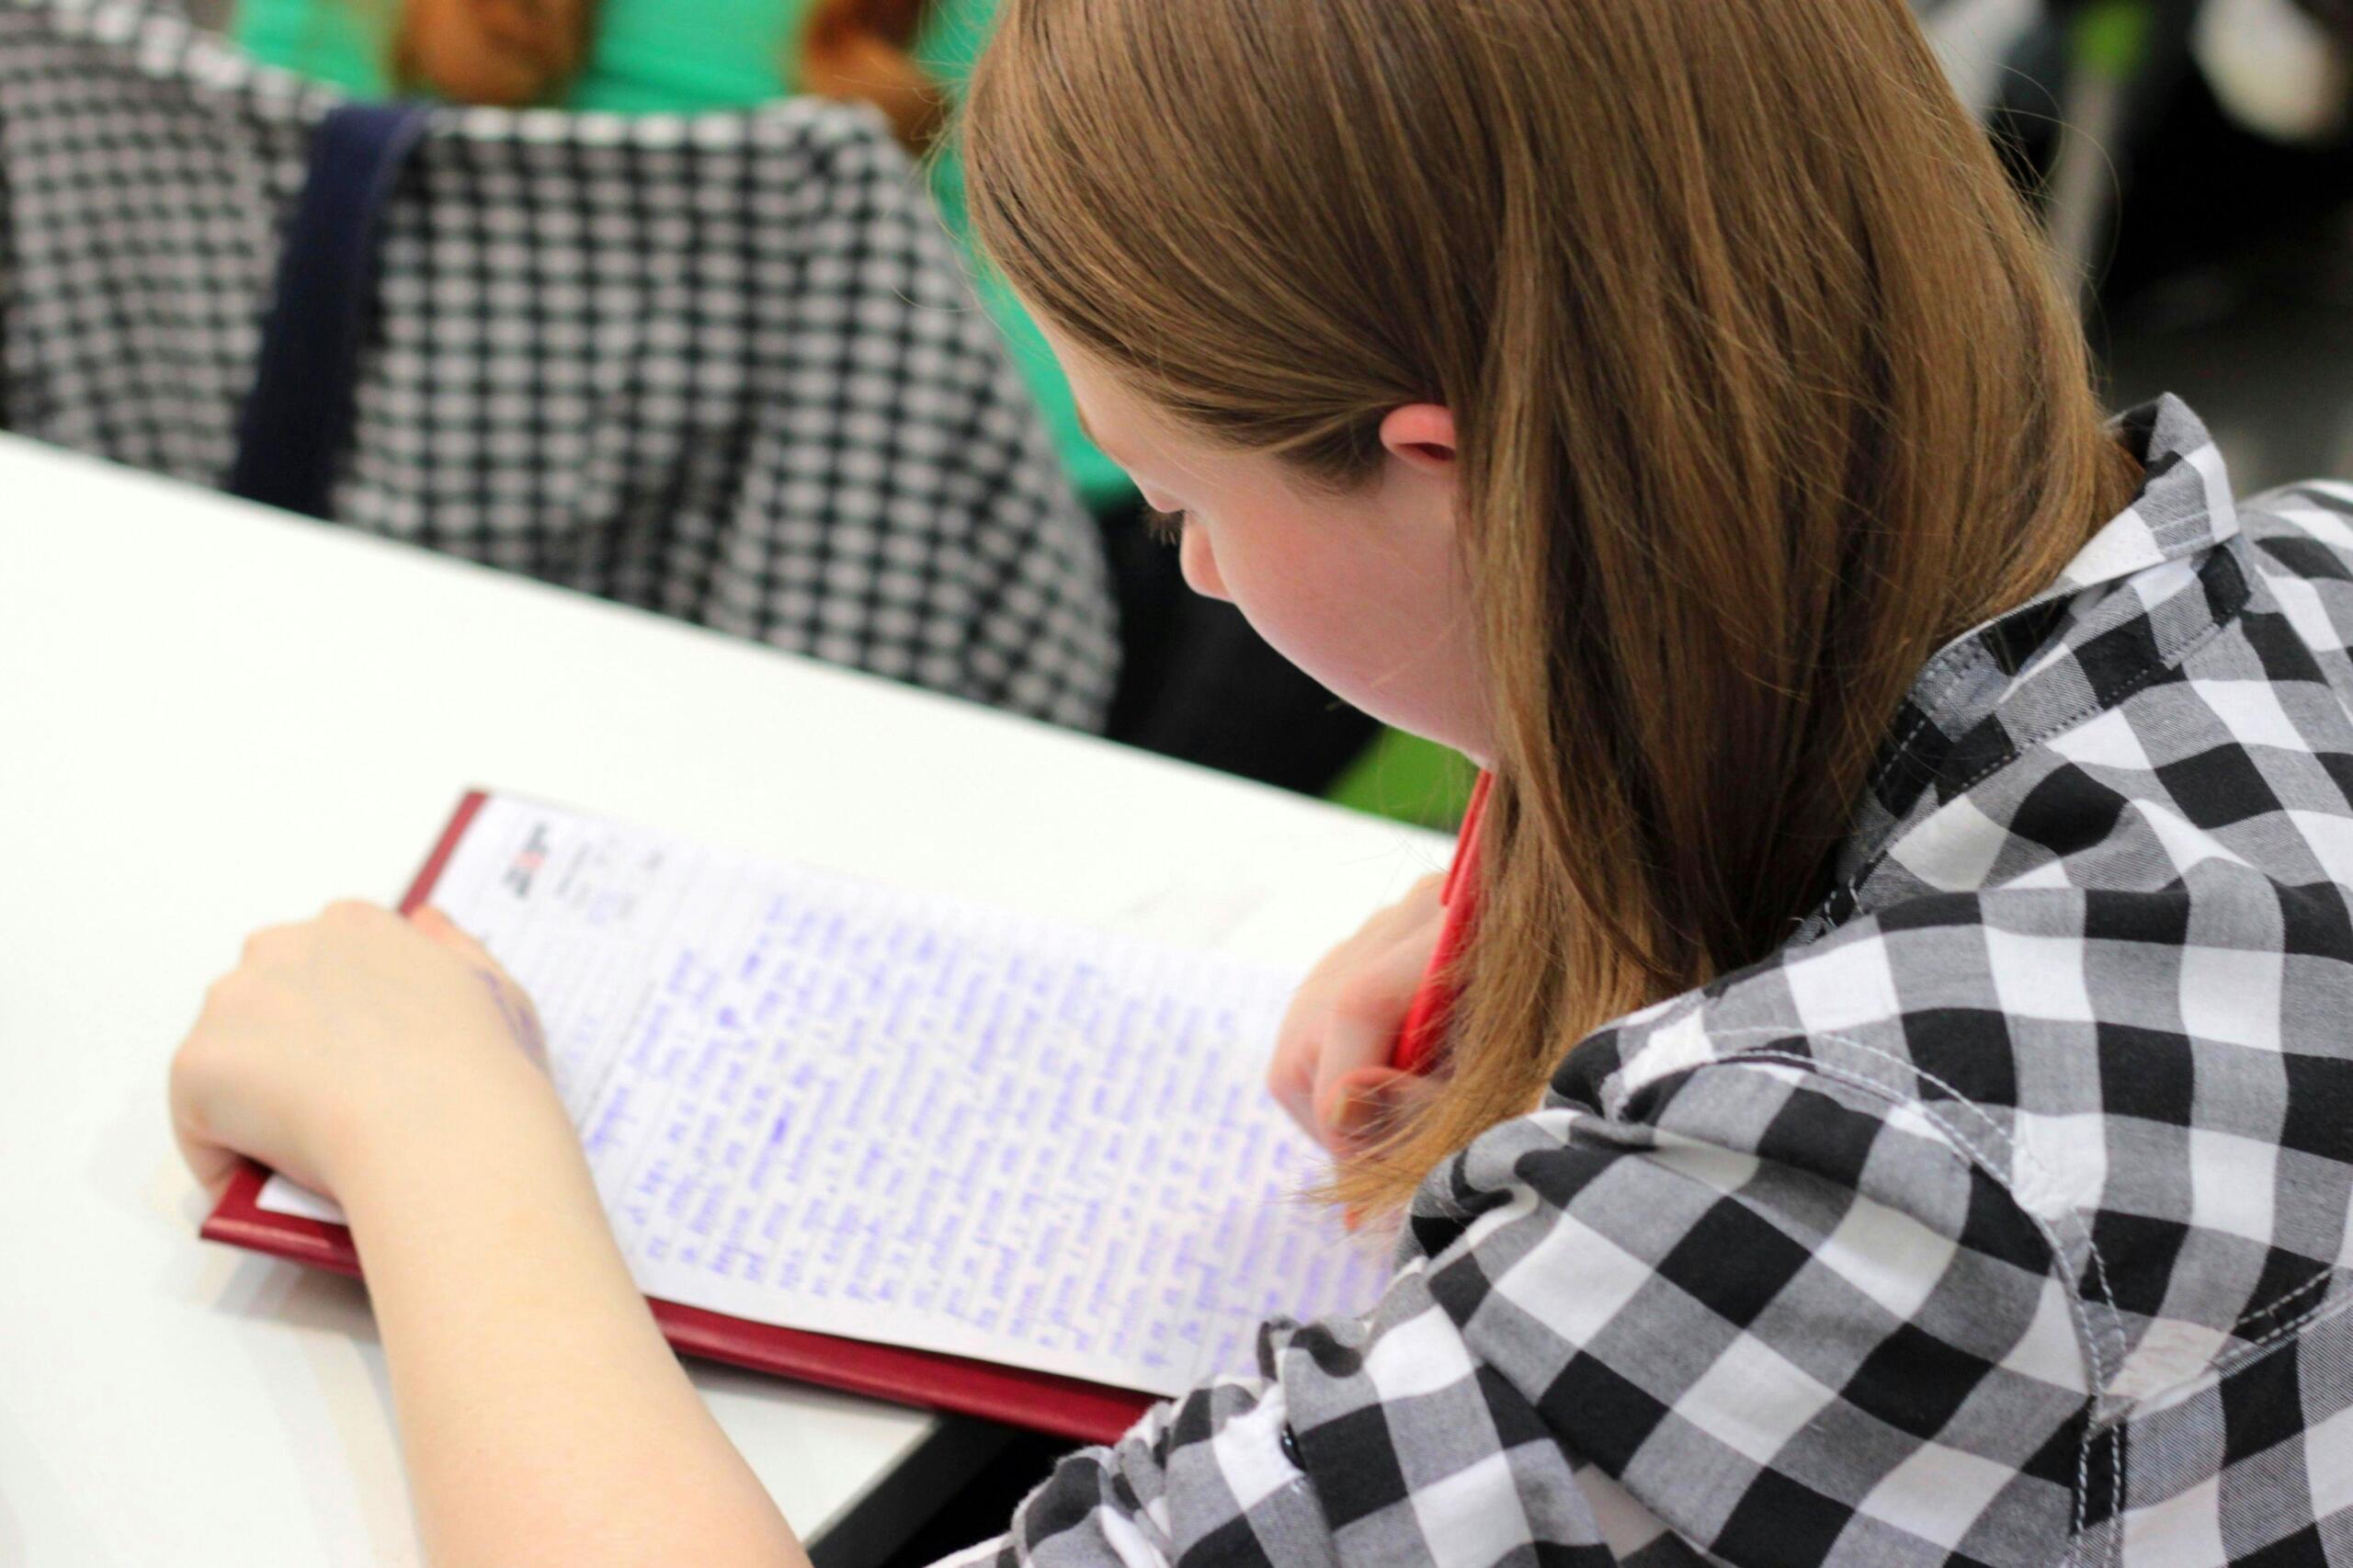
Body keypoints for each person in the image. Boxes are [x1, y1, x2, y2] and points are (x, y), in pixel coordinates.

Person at [168, 0, 2353, 1561]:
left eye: (1178, 502)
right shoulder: (2302, 592)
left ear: (1453, 468)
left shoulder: (1841, 1189)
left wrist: (444, 1137)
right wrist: (1593, 845)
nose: (1193, 576)